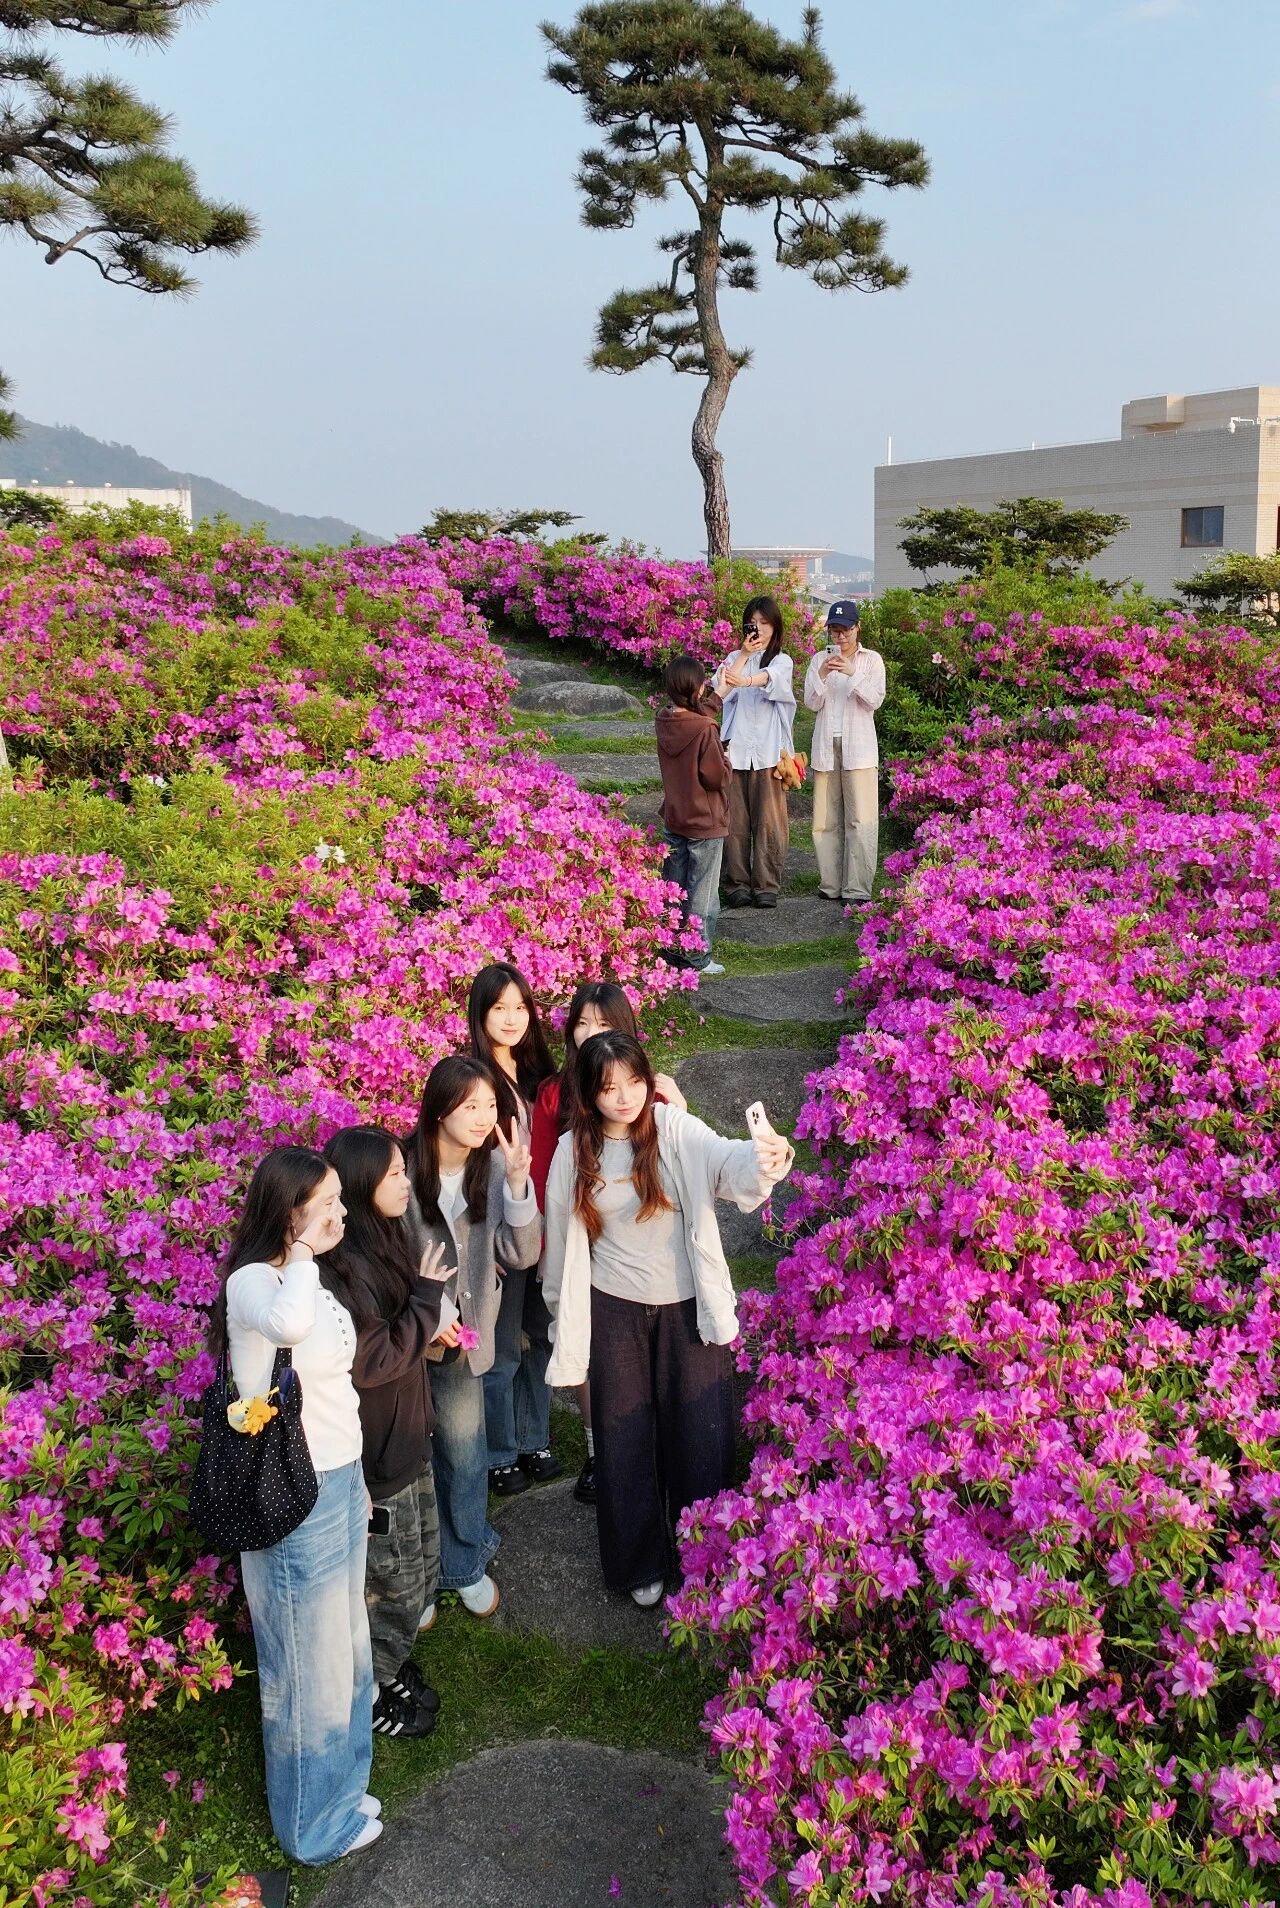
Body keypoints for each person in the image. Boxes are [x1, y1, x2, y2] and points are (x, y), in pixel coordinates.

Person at [542, 1032, 794, 1607]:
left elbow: (729, 1164)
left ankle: (704, 1553)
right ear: (589, 1092)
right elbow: (560, 1244)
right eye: (609, 1089)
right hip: (612, 1308)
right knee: (622, 1436)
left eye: (633, 1082)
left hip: (687, 1307)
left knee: (700, 1429)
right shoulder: (571, 1153)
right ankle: (638, 1563)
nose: (625, 1098)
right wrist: (563, 1319)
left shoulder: (674, 1130)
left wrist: (764, 1159)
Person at [214, 1146, 381, 1864]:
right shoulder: (256, 1281)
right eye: (326, 1204)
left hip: (340, 1479)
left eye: (342, 1199)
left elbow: (336, 1379)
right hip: (290, 1496)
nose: (341, 1214)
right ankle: (314, 1828)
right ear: (288, 1213)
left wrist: (358, 1478)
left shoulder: (311, 1277)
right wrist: (303, 1256)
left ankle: (343, 1790)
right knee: (306, 1670)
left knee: (345, 1650)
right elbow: (286, 1328)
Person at [322, 1125, 459, 1742]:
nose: (407, 1183)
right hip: (375, 1464)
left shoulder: (384, 1242)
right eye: (395, 1174)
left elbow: (404, 1337)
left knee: (420, 1570)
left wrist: (434, 1340)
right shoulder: (340, 1272)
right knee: (391, 1589)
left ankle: (388, 1667)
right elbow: (372, 1358)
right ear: (360, 1186)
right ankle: (367, 1691)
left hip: (409, 1446)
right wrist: (429, 1304)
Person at [528, 982, 688, 1506]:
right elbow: (547, 1169)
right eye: (583, 1023)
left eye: (605, 1024)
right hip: (582, 1234)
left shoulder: (646, 1086)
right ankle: (601, 1451)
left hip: (644, 1238)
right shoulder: (556, 1092)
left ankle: (650, 1446)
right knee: (587, 1343)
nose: (592, 1034)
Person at [405, 1056, 541, 1616]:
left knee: (463, 1453)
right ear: (439, 1110)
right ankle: (417, 1575)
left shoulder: (490, 1169)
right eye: (471, 1106)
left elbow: (521, 1253)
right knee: (409, 1465)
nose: (485, 1117)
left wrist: (516, 1184)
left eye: (491, 1105)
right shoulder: (403, 1170)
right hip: (405, 1342)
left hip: (463, 1345)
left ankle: (461, 1563)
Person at [467, 963, 561, 1496]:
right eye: (499, 1007)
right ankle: (500, 1451)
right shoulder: (473, 1078)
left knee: (540, 1338)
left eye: (520, 1006)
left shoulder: (537, 1075)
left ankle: (533, 1437)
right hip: (503, 1239)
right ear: (480, 1015)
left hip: (544, 1231)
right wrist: (480, 1241)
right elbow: (460, 1165)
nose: (511, 1018)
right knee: (502, 1351)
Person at [711, 595, 797, 910]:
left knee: (770, 822)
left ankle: (766, 885)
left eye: (765, 623)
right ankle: (736, 884)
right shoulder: (733, 657)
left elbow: (770, 680)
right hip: (734, 754)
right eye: (753, 622)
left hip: (770, 754)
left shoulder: (781, 660)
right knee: (733, 822)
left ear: (775, 628)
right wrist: (743, 656)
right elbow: (718, 688)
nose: (758, 628)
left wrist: (747, 678)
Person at [803, 600, 886, 905]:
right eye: (834, 631)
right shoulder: (817, 661)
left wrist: (852, 673)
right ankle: (830, 885)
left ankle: (857, 889)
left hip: (860, 747)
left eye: (845, 630)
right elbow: (811, 703)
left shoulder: (871, 660)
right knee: (825, 820)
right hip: (826, 744)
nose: (839, 638)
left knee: (861, 820)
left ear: (857, 627)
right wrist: (822, 675)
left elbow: (874, 700)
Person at [655, 653, 731, 977]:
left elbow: (696, 719)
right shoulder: (705, 730)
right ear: (697, 688)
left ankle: (669, 950)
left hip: (675, 817)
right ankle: (697, 958)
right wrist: (727, 759)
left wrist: (715, 698)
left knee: (674, 887)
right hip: (704, 822)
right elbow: (716, 778)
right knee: (702, 894)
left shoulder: (664, 719)